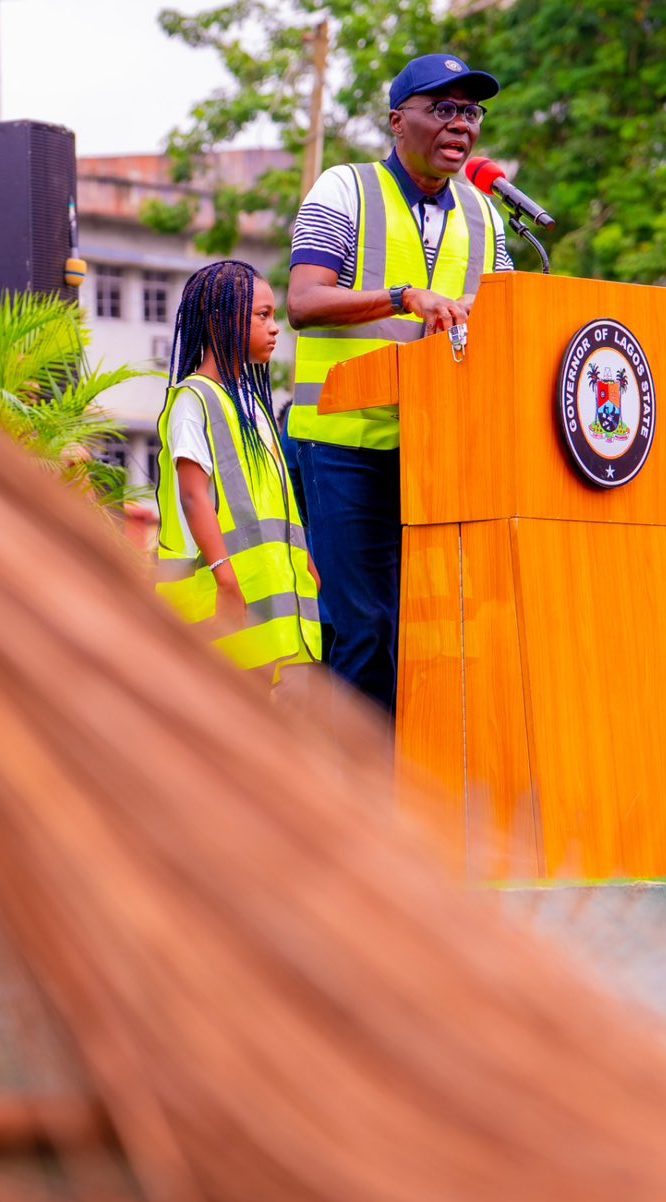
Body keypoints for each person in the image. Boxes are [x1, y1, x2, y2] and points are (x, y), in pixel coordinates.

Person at [285, 53, 512, 715]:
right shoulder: (344, 189)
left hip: (438, 452)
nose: (460, 125)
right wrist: (401, 297)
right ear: (396, 120)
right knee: (364, 629)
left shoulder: (485, 215)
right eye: (442, 108)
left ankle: (407, 795)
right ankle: (350, 802)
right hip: (344, 446)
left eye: (470, 112)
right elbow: (303, 301)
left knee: (427, 632)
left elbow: (502, 323)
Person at [152, 259, 322, 685]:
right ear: (221, 321)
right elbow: (194, 497)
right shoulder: (194, 400)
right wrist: (226, 579)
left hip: (279, 611)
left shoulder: (252, 404)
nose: (275, 327)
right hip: (228, 607)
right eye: (262, 315)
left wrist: (305, 561)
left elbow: (274, 498)